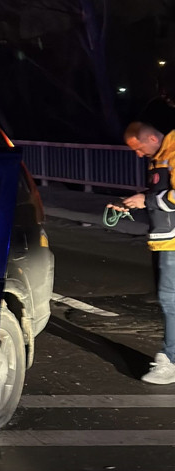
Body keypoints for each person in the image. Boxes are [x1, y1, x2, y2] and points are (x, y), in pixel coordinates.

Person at [114, 122, 175, 383]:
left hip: (173, 242)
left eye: (139, 149)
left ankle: (171, 361)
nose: (138, 155)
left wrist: (146, 200)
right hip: (167, 240)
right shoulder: (161, 156)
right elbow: (163, 195)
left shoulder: (172, 152)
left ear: (151, 138)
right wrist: (137, 202)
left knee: (170, 300)